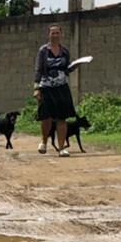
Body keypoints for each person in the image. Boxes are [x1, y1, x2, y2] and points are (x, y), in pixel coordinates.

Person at [33, 25, 78, 157]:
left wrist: (74, 66)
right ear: (49, 34)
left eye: (57, 33)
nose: (55, 35)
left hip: (61, 87)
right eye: (53, 33)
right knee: (46, 117)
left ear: (61, 34)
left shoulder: (64, 51)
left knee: (61, 118)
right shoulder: (43, 51)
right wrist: (36, 88)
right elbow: (38, 69)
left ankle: (62, 147)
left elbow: (66, 68)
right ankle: (44, 141)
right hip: (46, 87)